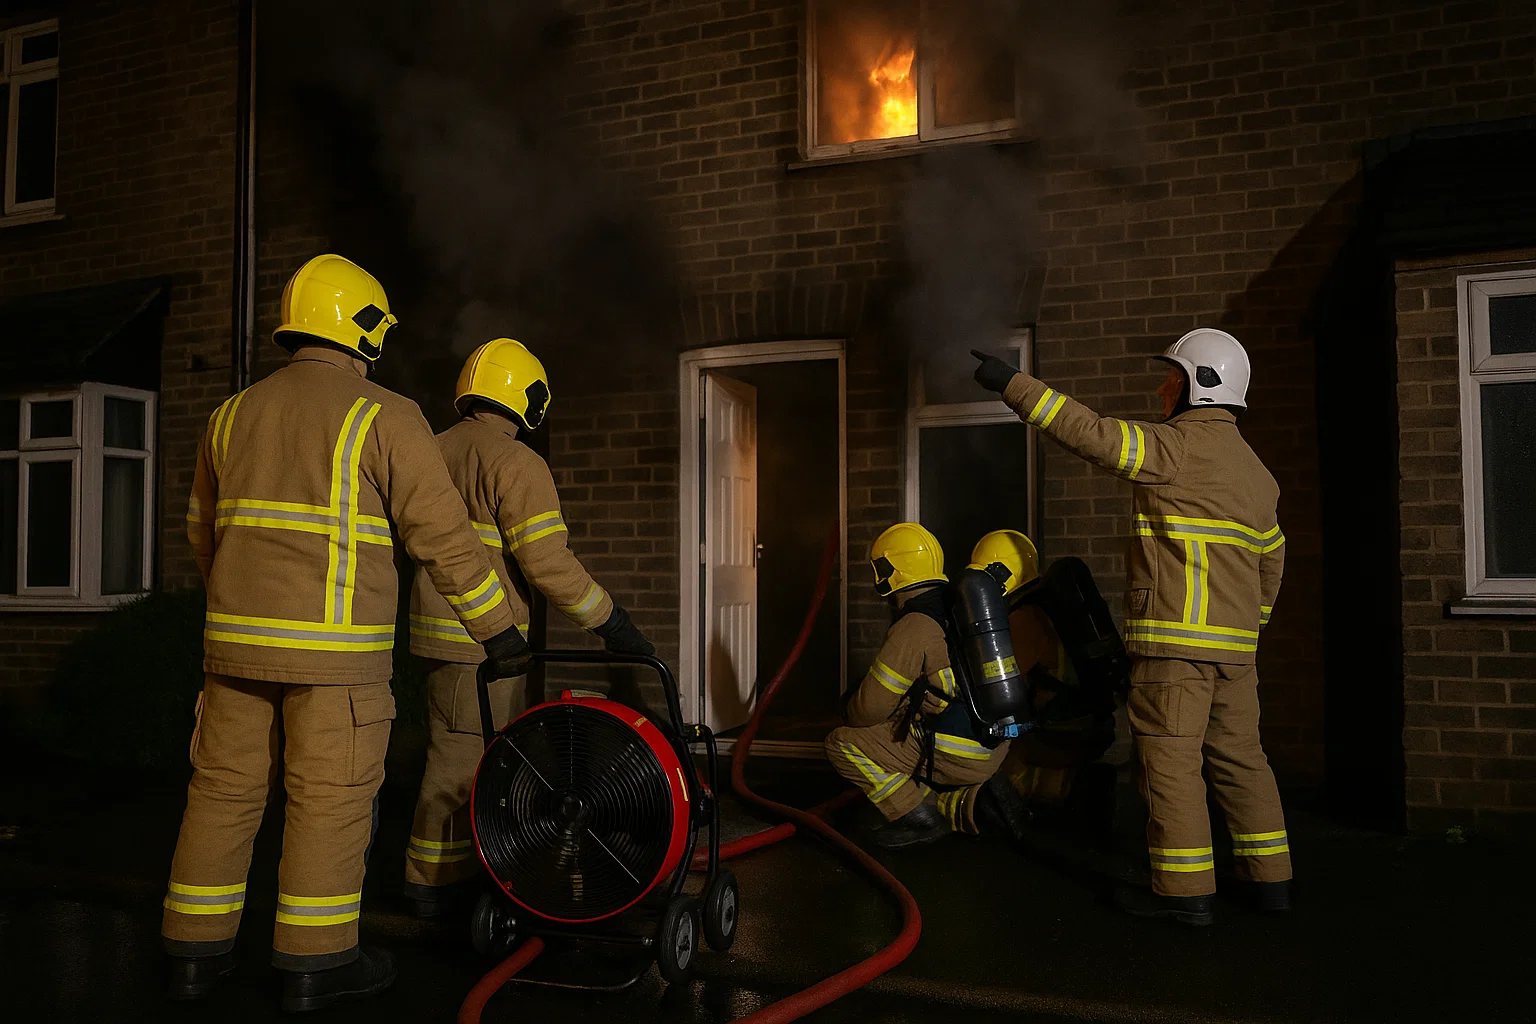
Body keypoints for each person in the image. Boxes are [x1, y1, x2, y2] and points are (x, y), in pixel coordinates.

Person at [163, 255, 530, 1011]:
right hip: (337, 664)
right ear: (364, 329)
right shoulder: (384, 414)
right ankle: (316, 963)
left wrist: (240, 613)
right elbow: (444, 537)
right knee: (328, 799)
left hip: (234, 652)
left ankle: (193, 955)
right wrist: (498, 629)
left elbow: (201, 532)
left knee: (223, 792)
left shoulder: (229, 415)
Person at [973, 329, 1289, 926]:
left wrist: (1011, 383)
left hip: (1175, 648)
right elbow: (1272, 564)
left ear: (1201, 384)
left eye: (1173, 377)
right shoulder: (1259, 477)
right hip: (1236, 653)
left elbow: (1089, 433)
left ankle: (1183, 893)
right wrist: (1249, 626)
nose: (1162, 387)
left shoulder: (1174, 449)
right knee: (1243, 760)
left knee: (1170, 762)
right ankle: (1271, 882)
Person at [403, 337, 653, 917]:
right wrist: (612, 623)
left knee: (451, 749)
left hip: (435, 637)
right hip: (487, 641)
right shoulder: (516, 462)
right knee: (464, 765)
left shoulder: (430, 449)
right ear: (530, 399)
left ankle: (455, 873)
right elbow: (548, 564)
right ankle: (436, 886)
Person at [824, 523, 1031, 849]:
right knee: (908, 725)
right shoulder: (961, 606)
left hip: (956, 750)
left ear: (889, 570)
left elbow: (867, 711)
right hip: (996, 742)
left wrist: (850, 701)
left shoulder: (916, 624)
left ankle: (919, 815)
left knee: (842, 743)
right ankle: (971, 801)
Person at [967, 530, 1117, 824]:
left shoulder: (1023, 618)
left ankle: (1062, 792)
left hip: (1061, 731)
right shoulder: (1046, 607)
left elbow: (997, 691)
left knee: (992, 769)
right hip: (1086, 724)